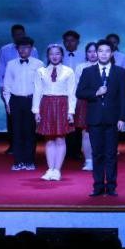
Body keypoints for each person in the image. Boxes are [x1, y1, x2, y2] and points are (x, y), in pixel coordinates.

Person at [76, 40, 125, 195]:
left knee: (111, 154)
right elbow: (79, 92)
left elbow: (124, 97)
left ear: (111, 53)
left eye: (107, 51)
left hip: (113, 119)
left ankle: (111, 187)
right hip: (95, 119)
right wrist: (96, 93)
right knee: (97, 154)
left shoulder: (120, 72)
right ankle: (98, 186)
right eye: (100, 51)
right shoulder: (88, 71)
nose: (103, 54)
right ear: (96, 53)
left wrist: (122, 118)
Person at [33, 43, 77, 181]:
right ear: (48, 56)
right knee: (49, 139)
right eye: (51, 54)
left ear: (62, 55)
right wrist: (36, 111)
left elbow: (72, 93)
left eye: (57, 53)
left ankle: (57, 170)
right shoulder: (41, 71)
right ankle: (50, 169)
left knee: (60, 138)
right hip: (46, 105)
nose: (54, 56)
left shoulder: (68, 71)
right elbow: (37, 91)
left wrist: (71, 112)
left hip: (62, 105)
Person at [0, 24, 39, 155]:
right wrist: (2, 88)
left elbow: (38, 74)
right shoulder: (4, 50)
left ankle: (29, 153)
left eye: (21, 34)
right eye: (16, 35)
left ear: (24, 33)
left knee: (30, 123)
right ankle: (13, 147)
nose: (18, 36)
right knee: (12, 120)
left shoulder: (34, 51)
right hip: (12, 91)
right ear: (12, 35)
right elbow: (1, 70)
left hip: (30, 93)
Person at [60, 30, 84, 161]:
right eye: (67, 41)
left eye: (72, 40)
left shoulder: (83, 56)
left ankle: (77, 150)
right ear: (63, 42)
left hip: (79, 93)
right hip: (63, 93)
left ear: (78, 42)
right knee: (64, 121)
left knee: (78, 123)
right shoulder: (59, 55)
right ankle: (65, 150)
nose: (69, 43)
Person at [75, 41, 99, 170]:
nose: (92, 54)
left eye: (95, 51)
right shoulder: (80, 67)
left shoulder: (106, 66)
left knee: (100, 132)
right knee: (86, 133)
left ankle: (99, 159)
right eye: (89, 51)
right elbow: (77, 87)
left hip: (101, 102)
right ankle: (88, 160)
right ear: (86, 54)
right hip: (85, 102)